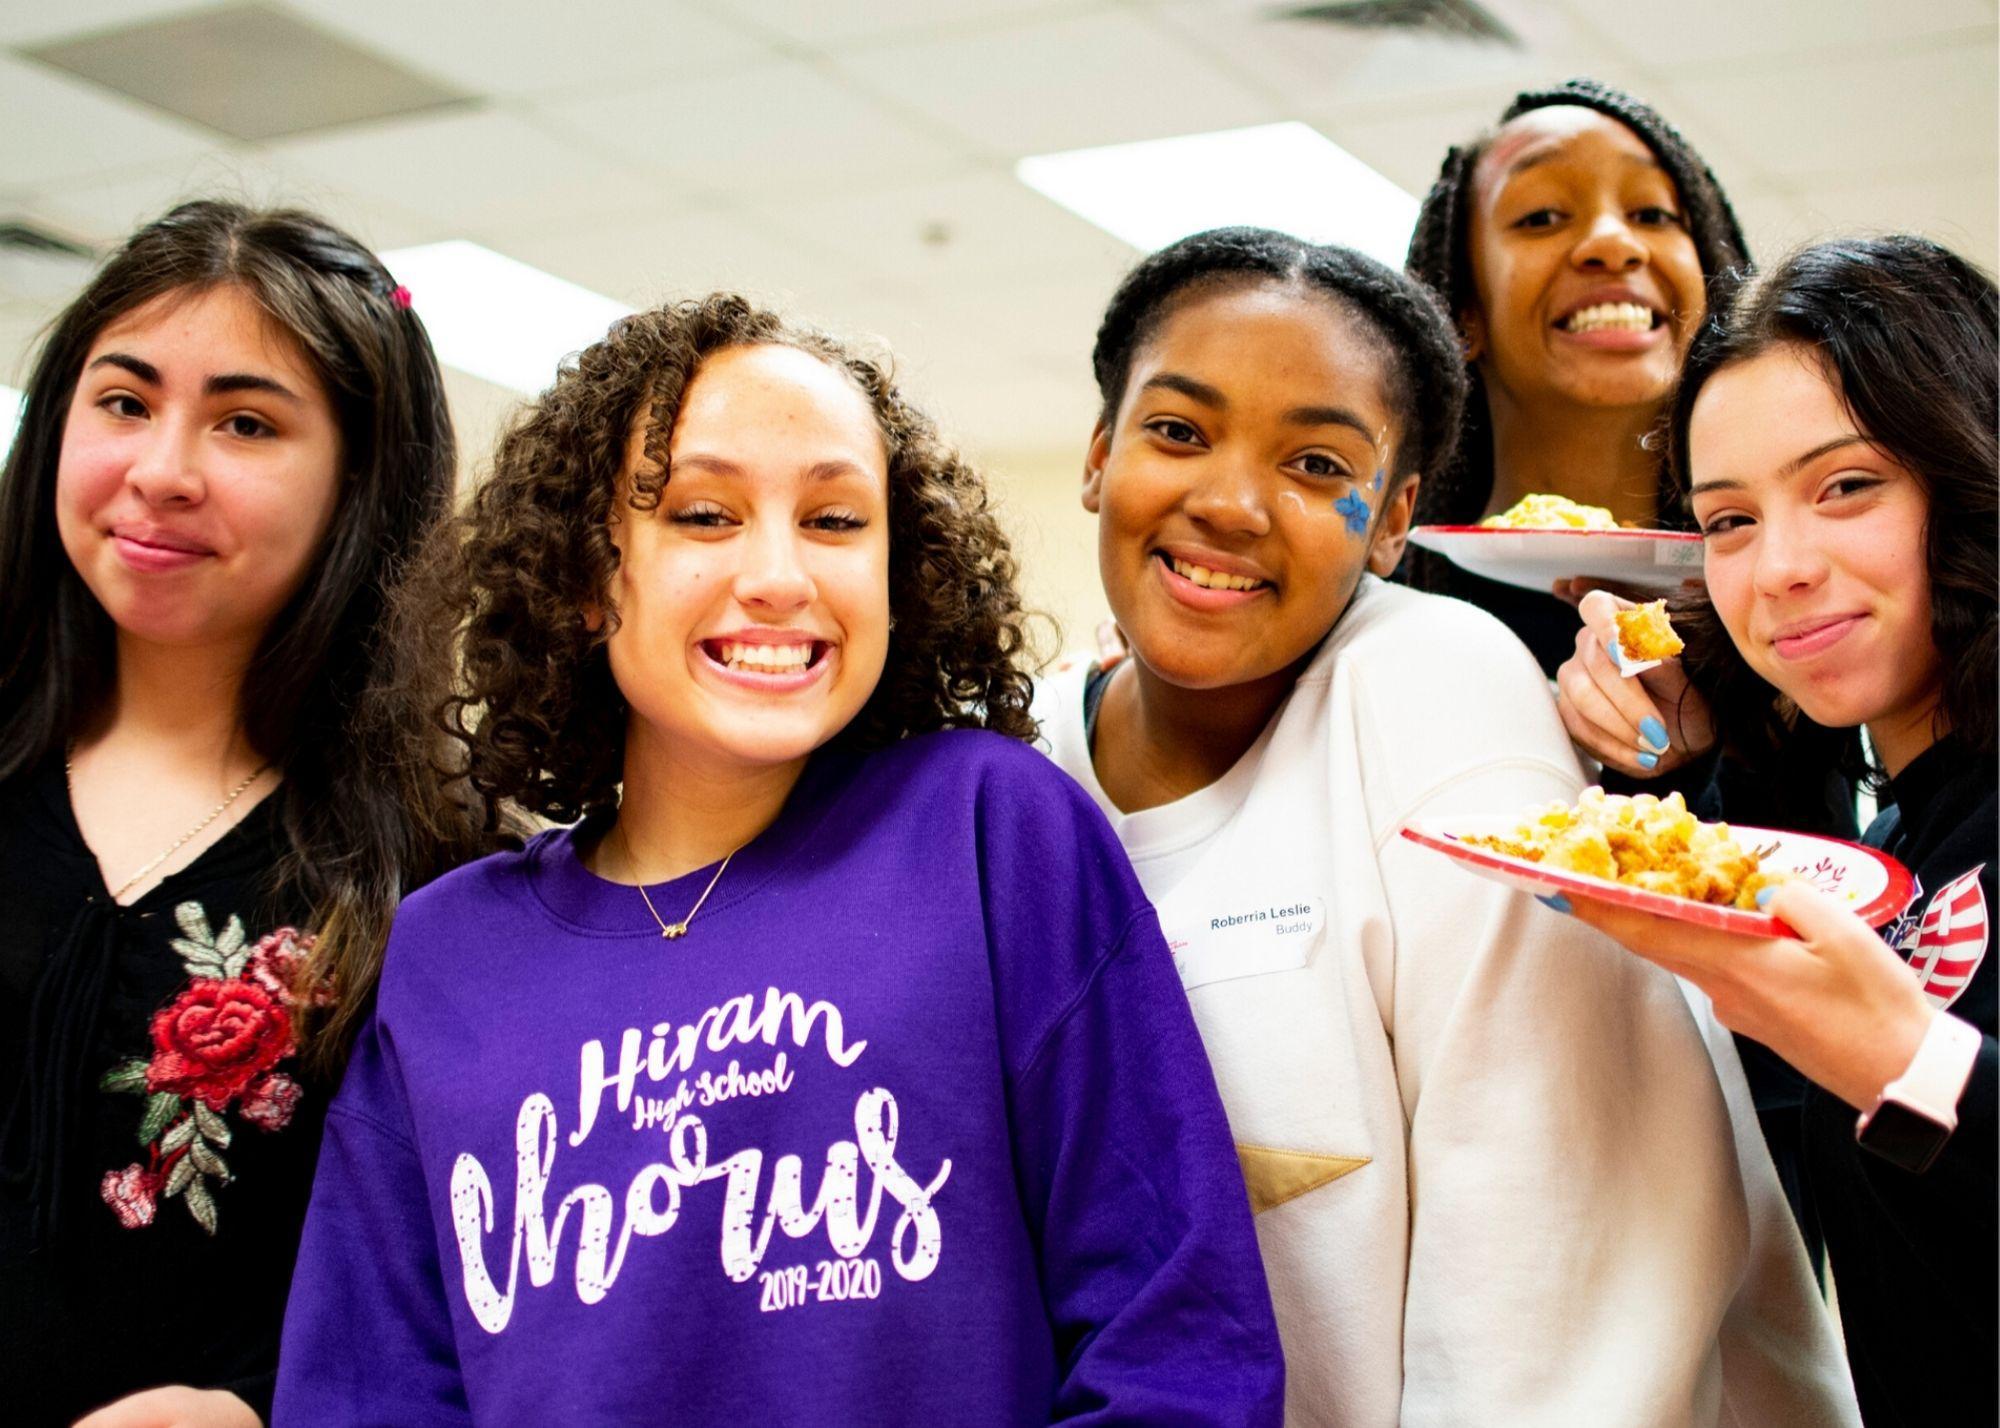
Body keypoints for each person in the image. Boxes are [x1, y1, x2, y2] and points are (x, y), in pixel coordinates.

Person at [273, 294, 1284, 1425]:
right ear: (583, 578)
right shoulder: (446, 953)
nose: (779, 575)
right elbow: (369, 1393)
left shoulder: (993, 835)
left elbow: (1177, 1343)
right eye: (704, 515)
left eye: (835, 521)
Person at [1032, 225, 1857, 1426]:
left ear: (1392, 519)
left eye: (1317, 465)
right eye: (1176, 431)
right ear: (1101, 455)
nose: (1229, 503)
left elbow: (1551, 1256)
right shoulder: (1017, 768)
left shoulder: (1428, 685)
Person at [0, 201, 490, 1426]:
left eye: (246, 423)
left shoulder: (448, 880)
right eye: (122, 402)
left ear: (360, 487)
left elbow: (480, 1295)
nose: (161, 471)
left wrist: (262, 1411)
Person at [1553, 234, 1996, 1427]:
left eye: (1845, 486)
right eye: (1729, 520)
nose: (1779, 568)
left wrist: (1912, 1065)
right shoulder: (1896, 822)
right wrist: (1705, 762)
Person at [1401, 77, 1748, 676]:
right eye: (1540, 216)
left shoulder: (1780, 588)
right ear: (1461, 314)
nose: (1614, 243)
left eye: (1652, 213)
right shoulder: (1376, 605)